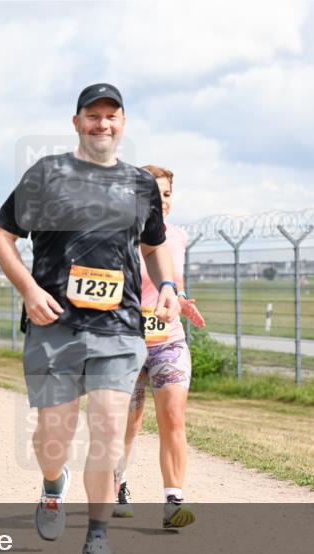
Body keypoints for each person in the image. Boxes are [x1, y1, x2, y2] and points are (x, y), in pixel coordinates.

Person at [0, 84, 180, 554]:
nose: (102, 124)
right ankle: (53, 485)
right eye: (93, 116)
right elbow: (1, 236)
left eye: (111, 116)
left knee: (110, 429)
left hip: (120, 327)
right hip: (54, 323)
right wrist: (29, 290)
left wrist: (168, 286)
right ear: (76, 122)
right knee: (54, 435)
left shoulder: (140, 184)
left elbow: (154, 244)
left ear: (124, 123)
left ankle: (97, 540)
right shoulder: (47, 174)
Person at [114, 165, 206, 528]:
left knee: (173, 416)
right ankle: (118, 484)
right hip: (125, 340)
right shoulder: (118, 234)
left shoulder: (178, 236)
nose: (162, 201)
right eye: (154, 193)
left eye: (166, 194)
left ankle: (173, 500)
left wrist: (181, 299)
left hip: (168, 338)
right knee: (128, 424)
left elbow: (171, 282)